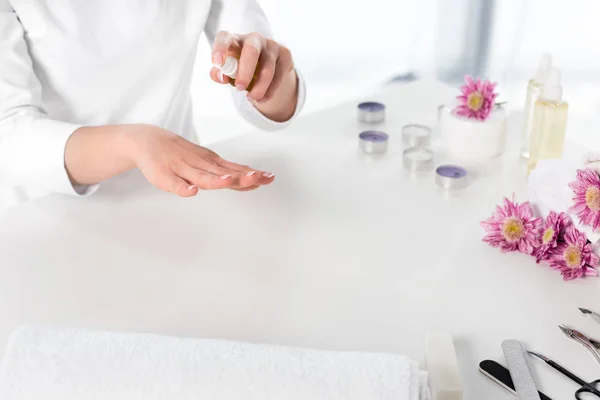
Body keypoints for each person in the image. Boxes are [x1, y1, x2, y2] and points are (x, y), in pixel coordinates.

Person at [0, 1, 306, 209]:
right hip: (44, 214)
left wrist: (270, 75)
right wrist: (132, 144)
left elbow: (273, 107)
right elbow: (8, 129)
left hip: (179, 201)